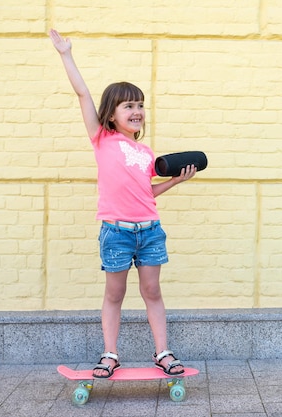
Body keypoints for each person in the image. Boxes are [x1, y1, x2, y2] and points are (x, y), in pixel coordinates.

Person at [49, 29, 195, 378]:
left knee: (152, 291)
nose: (137, 110)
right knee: (115, 294)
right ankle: (110, 354)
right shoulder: (102, 138)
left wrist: (173, 180)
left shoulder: (146, 153)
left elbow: (145, 193)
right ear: (111, 114)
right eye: (129, 105)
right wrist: (65, 54)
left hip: (150, 230)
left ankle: (163, 352)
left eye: (141, 104)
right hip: (116, 231)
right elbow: (82, 93)